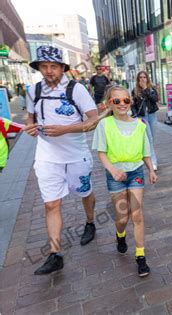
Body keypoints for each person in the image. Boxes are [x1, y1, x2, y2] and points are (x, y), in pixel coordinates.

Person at [23, 46, 98, 275]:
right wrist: (30, 128)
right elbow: (29, 118)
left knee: (85, 192)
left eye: (53, 66)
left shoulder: (77, 89)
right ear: (38, 68)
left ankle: (89, 221)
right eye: (43, 66)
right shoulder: (33, 90)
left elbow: (93, 120)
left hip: (76, 155)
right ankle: (55, 254)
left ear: (62, 68)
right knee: (51, 204)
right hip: (46, 157)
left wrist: (66, 129)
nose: (48, 71)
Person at [91, 85, 157, 276]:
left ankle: (140, 256)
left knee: (136, 215)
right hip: (116, 176)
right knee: (122, 218)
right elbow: (101, 153)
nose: (122, 104)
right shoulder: (105, 125)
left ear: (131, 101)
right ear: (109, 104)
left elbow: (146, 152)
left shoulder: (140, 125)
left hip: (136, 172)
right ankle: (120, 235)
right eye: (116, 101)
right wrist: (113, 171)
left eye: (125, 100)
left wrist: (151, 170)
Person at [132, 71, 159, 170]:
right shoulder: (135, 91)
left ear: (147, 79)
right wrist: (135, 115)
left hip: (152, 115)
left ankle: (145, 156)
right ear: (138, 80)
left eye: (144, 77)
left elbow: (155, 99)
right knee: (150, 139)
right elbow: (133, 105)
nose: (143, 79)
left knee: (151, 139)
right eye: (140, 78)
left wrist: (146, 90)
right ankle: (153, 162)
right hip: (142, 117)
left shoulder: (152, 89)